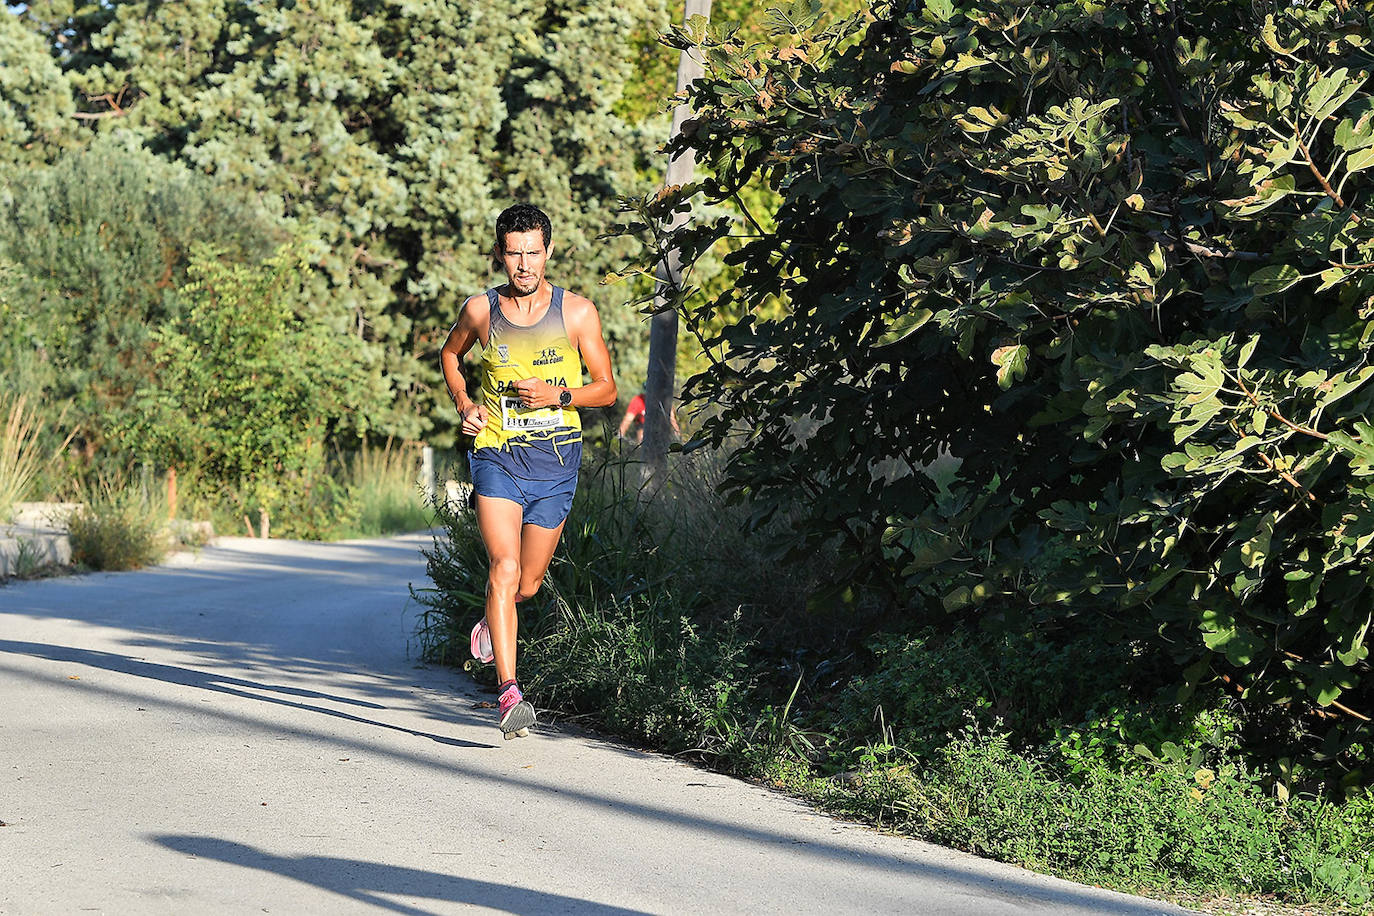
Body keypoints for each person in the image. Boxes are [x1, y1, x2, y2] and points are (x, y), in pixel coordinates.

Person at [440, 203, 617, 739]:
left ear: (549, 252)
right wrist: (465, 404)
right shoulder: (480, 310)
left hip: (557, 463)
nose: (523, 264)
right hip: (496, 457)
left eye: (533, 252)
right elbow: (450, 356)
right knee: (504, 568)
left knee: (530, 584)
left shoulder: (577, 313)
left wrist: (557, 394)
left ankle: (496, 618)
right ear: (499, 255)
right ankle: (510, 693)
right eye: (513, 253)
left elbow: (607, 388)